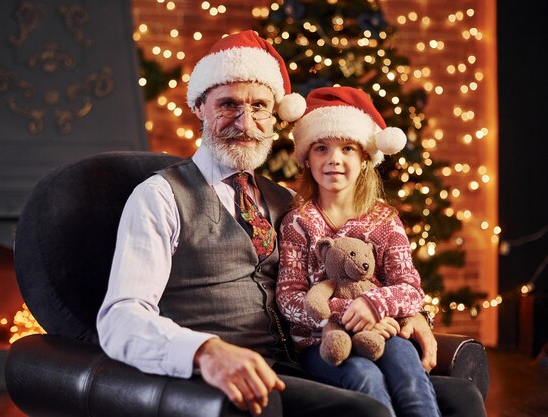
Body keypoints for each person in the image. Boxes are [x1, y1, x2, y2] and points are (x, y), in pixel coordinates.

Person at [96, 30, 486, 417]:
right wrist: (204, 352)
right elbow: (120, 317)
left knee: (463, 399)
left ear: (275, 117)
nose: (246, 123)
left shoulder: (285, 202)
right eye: (228, 104)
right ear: (199, 107)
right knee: (367, 409)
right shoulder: (159, 197)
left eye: (260, 107)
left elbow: (354, 273)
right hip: (234, 375)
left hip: (304, 357)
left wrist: (412, 314)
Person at [277, 86, 441, 417]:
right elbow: (289, 297)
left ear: (364, 158)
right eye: (321, 148)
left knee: (409, 377)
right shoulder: (297, 222)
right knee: (365, 379)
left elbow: (410, 289)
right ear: (307, 159)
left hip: (382, 331)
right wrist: (349, 311)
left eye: (347, 148)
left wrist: (374, 304)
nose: (334, 159)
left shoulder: (384, 220)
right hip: (321, 343)